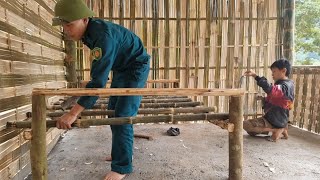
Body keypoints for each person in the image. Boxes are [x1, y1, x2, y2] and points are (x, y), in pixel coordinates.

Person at [52, 0, 150, 179]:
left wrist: (73, 113)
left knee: (123, 115)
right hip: (121, 68)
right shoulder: (89, 31)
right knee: (113, 112)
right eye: (64, 26)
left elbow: (97, 82)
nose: (66, 30)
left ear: (84, 19)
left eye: (70, 25)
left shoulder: (103, 36)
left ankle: (122, 167)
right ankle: (121, 153)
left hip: (136, 67)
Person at [243, 59, 294, 142]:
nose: (272, 74)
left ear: (284, 71)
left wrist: (255, 76)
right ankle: (282, 129)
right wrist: (264, 99)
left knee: (245, 125)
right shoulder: (289, 84)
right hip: (279, 119)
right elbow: (282, 101)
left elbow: (270, 89)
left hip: (275, 119)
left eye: (274, 71)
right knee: (251, 132)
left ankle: (276, 130)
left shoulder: (284, 86)